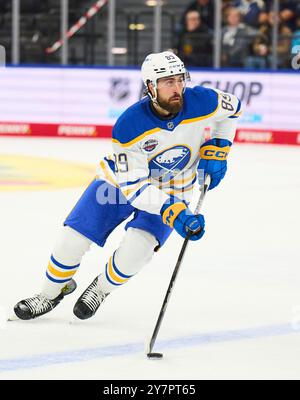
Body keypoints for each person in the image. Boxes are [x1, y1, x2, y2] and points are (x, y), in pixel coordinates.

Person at [13, 51, 241, 321]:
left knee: (137, 252)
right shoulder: (129, 125)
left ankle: (100, 288)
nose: (177, 88)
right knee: (70, 241)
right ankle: (50, 293)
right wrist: (173, 211)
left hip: (175, 187)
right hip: (118, 184)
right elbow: (134, 187)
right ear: (150, 87)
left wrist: (220, 145)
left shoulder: (203, 100)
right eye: (168, 82)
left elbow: (234, 108)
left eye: (180, 79)